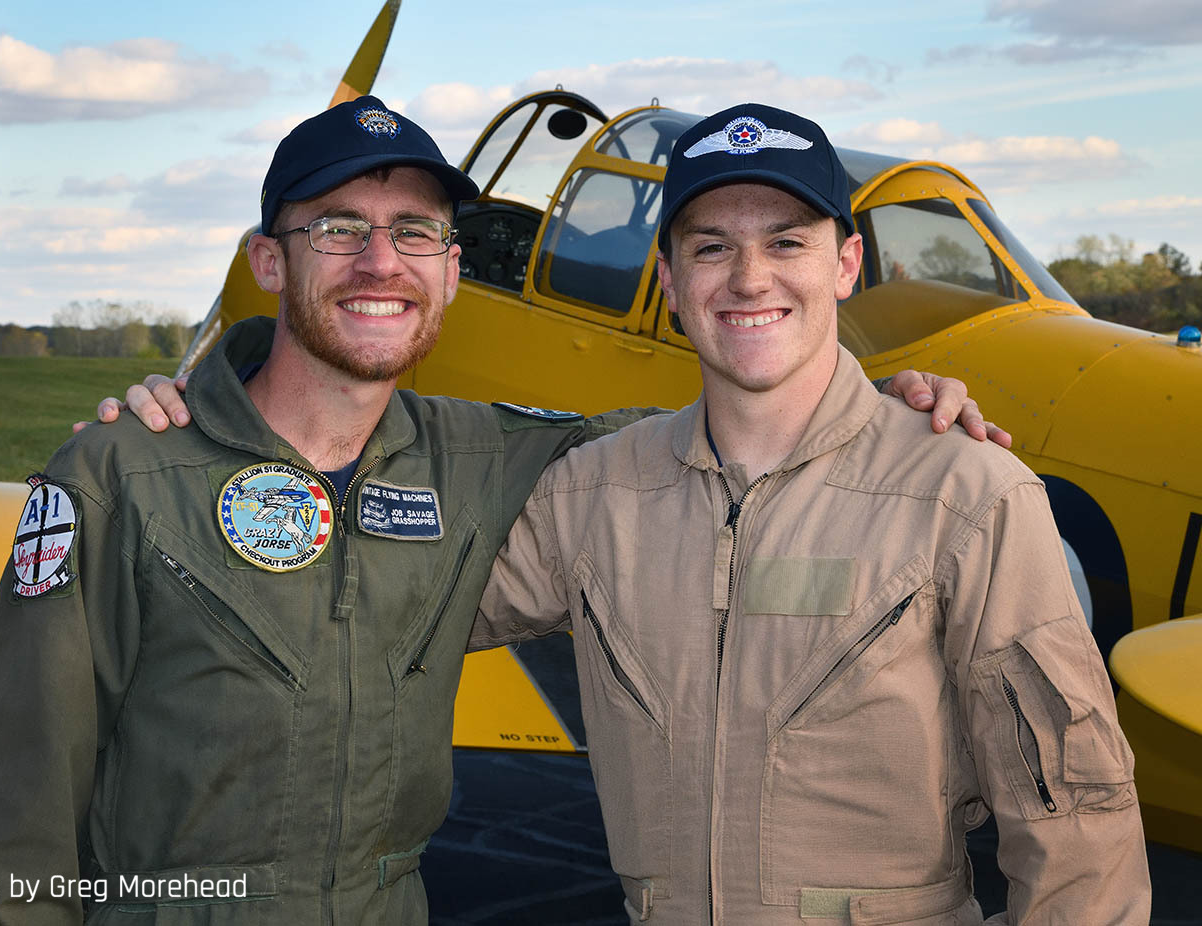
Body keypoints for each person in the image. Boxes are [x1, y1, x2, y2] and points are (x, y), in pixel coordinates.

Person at [0, 96, 999, 926]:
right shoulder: (119, 472)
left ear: (448, 271)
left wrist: (886, 408)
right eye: (338, 227)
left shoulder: (487, 456)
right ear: (268, 260)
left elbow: (717, 432)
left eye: (418, 233)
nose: (380, 262)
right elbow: (4, 837)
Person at [470, 104, 1150, 924]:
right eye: (711, 246)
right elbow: (399, 610)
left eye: (787, 241)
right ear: (668, 278)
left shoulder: (970, 493)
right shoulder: (592, 495)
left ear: (846, 263)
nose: (751, 278)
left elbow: (1080, 831)